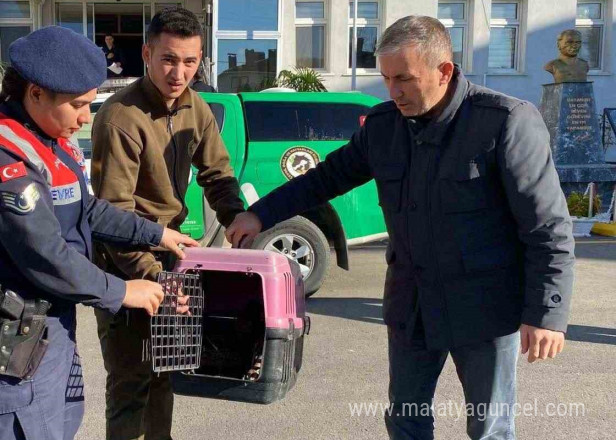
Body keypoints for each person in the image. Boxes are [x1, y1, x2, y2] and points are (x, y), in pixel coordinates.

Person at [226, 16, 575, 440]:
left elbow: (547, 227)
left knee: (490, 427)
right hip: (413, 305)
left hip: (485, 308)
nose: (393, 91)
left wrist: (546, 314)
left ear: (443, 71)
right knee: (406, 419)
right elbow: (324, 178)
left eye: (405, 79)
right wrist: (260, 214)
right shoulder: (383, 127)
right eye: (387, 78)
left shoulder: (504, 122)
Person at [0, 26, 198, 440]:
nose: (84, 118)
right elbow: (45, 256)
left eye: (89, 104)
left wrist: (156, 234)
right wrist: (123, 291)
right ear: (36, 92)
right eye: (77, 105)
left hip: (45, 327)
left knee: (57, 425)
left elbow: (87, 210)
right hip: (3, 337)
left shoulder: (49, 141)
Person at [90, 8, 245, 440]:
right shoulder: (120, 116)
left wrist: (240, 221)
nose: (179, 73)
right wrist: (153, 276)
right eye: (169, 59)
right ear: (147, 53)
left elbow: (218, 176)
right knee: (130, 382)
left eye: (190, 62)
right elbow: (112, 215)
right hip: (124, 263)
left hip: (168, 258)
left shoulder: (196, 107)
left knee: (163, 373)